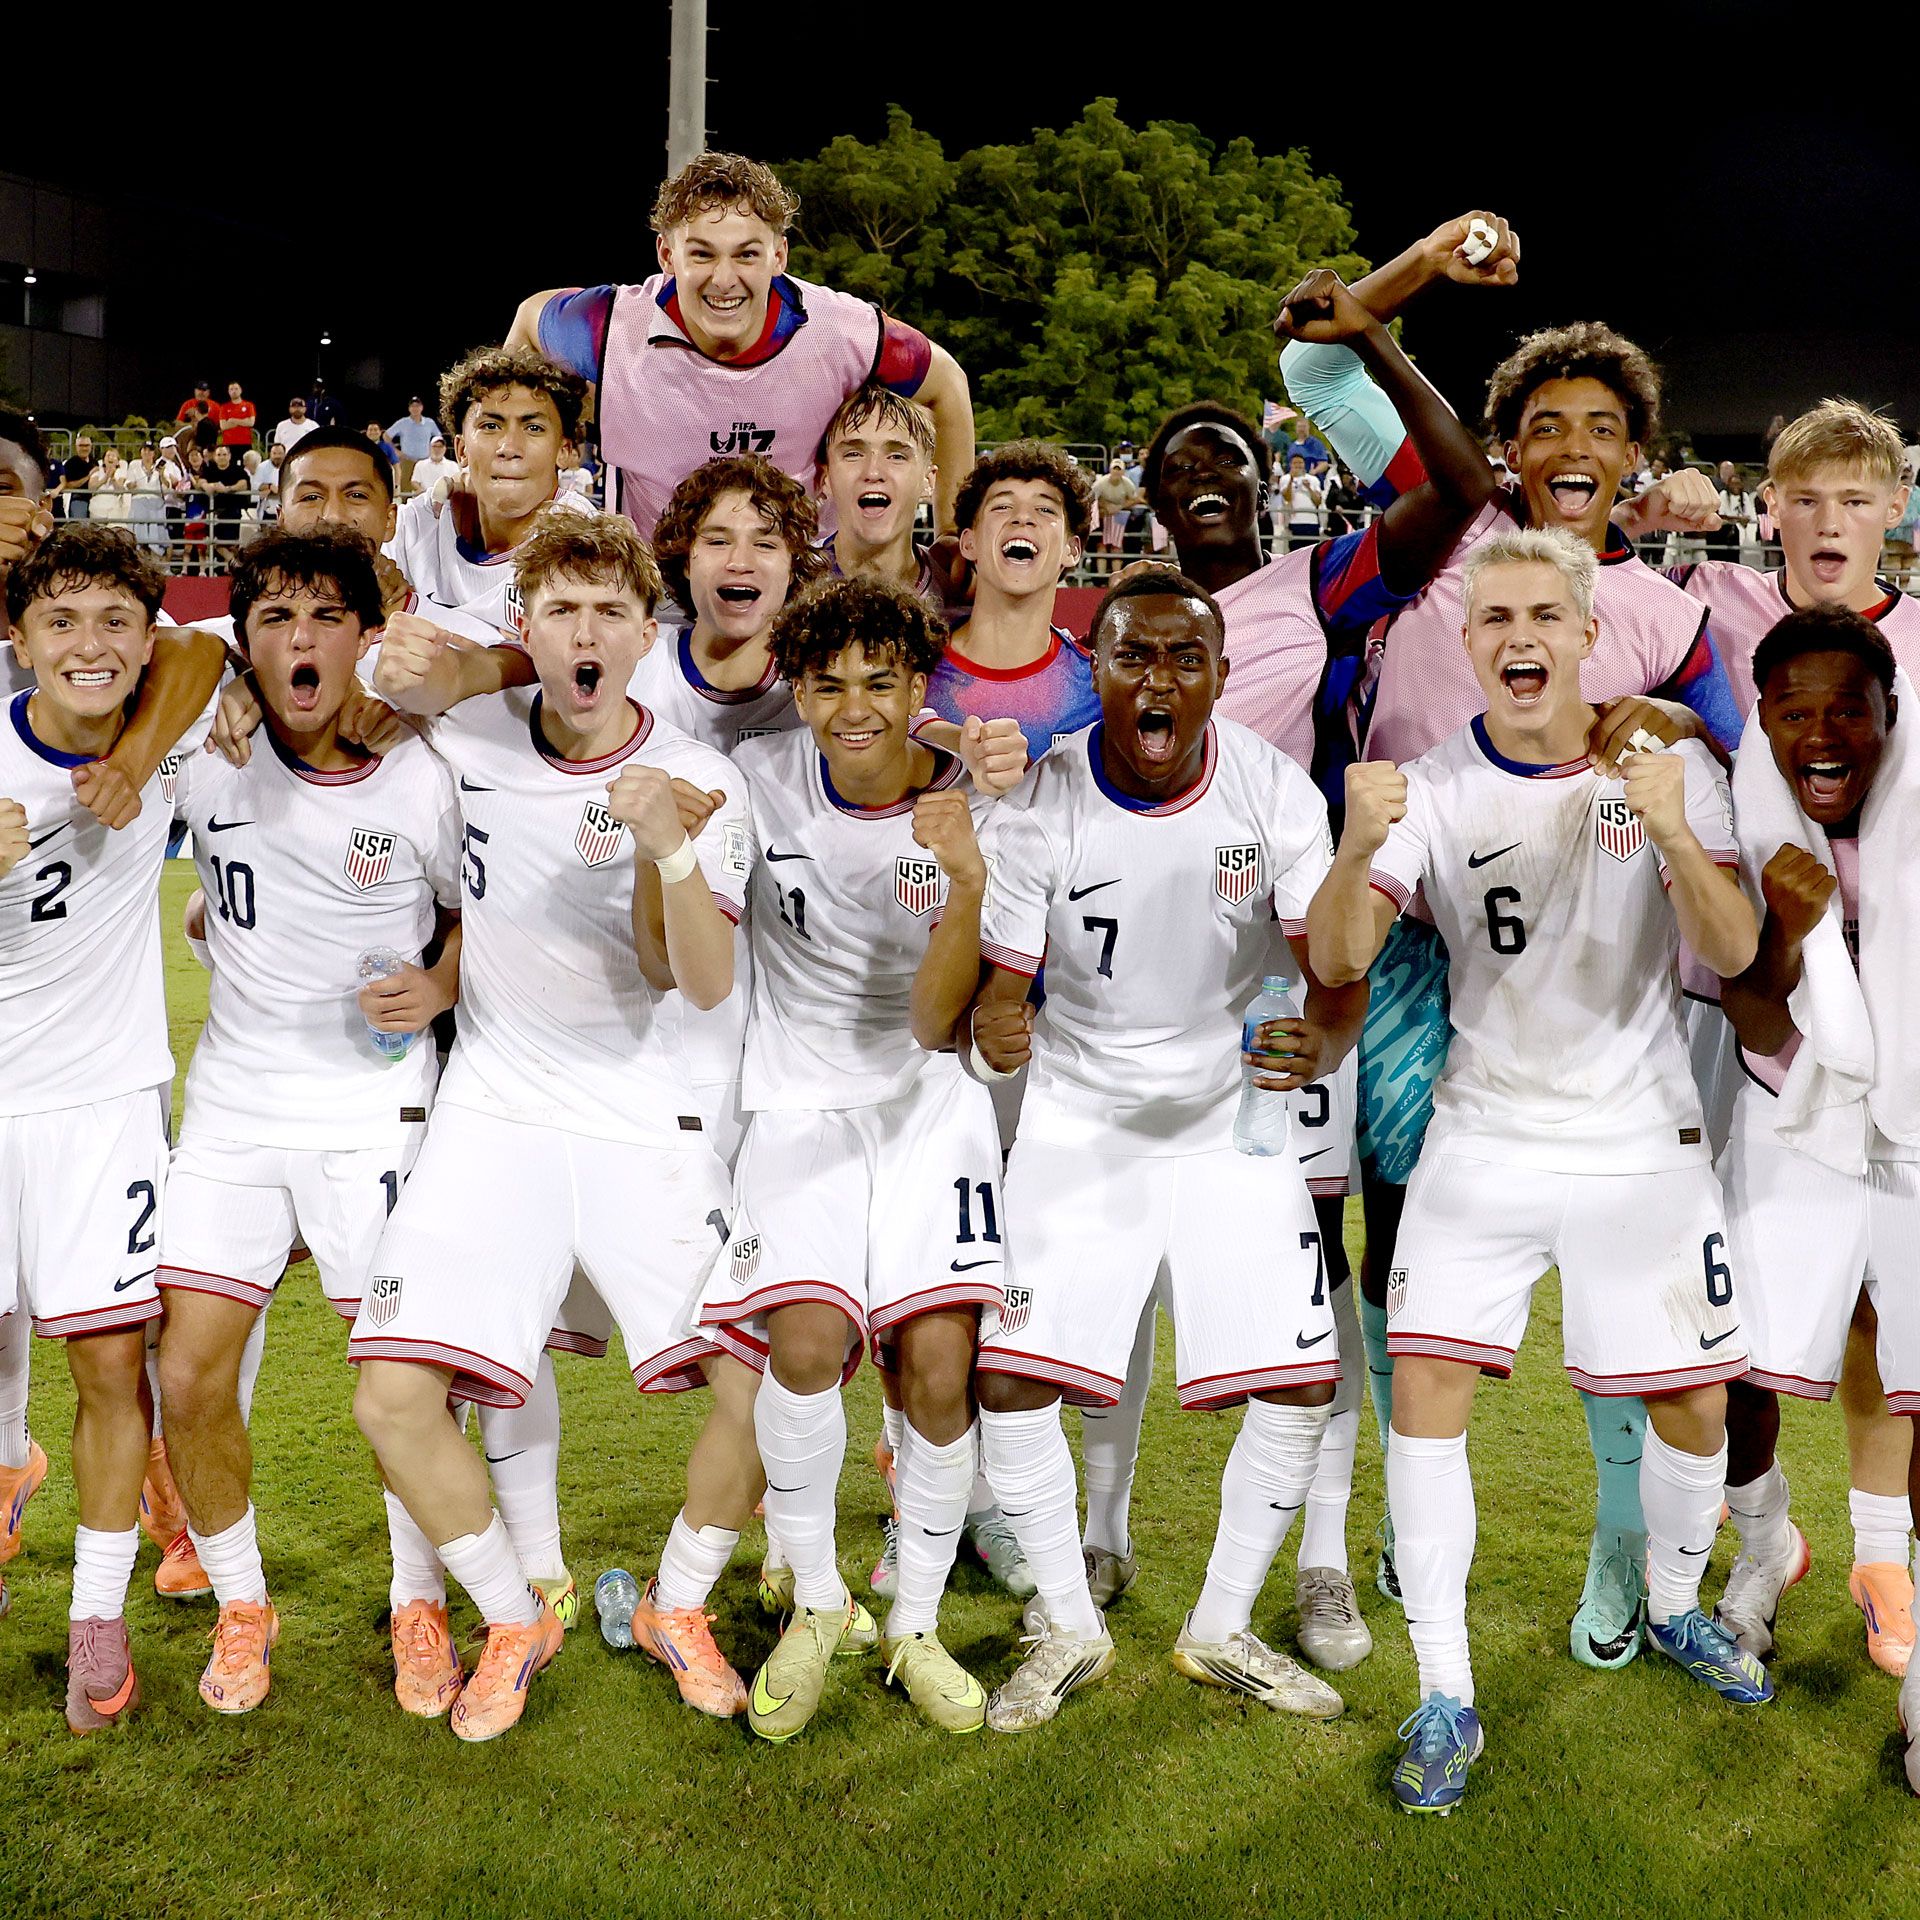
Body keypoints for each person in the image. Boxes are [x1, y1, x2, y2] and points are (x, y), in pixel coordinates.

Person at [1282, 212, 1745, 1668]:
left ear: (1635, 457)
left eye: (1601, 428)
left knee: (1631, 1292)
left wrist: (1673, 721)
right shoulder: (1449, 525)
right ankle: (1394, 1541)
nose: (1569, 444)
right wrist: (1423, 268)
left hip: (1595, 951)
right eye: (1539, 423)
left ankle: (1626, 1554)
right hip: (1417, 941)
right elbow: (1314, 361)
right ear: (1503, 444)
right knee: (1414, 1245)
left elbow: (1729, 757)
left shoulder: (1668, 615)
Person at [1304, 527, 1766, 1815]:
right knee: (1430, 1396)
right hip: (1486, 1131)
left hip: (1639, 1138)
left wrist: (1675, 832)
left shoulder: (1663, 769)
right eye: (1492, 617)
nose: (1517, 638)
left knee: (1691, 1407)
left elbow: (1730, 951)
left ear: (1583, 634)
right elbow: (1340, 960)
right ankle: (1444, 1692)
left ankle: (1675, 1607)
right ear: (1469, 644)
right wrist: (1354, 847)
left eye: (1540, 617)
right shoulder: (1430, 785)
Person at [1076, 266, 1497, 1665]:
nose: (1205, 473)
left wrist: (1372, 332)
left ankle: (1319, 1557)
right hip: (1126, 979)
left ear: (1268, 486)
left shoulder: (1312, 582)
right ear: (1144, 498)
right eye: (1178, 463)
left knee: (1311, 1267)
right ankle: (1103, 1521)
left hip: (1283, 975)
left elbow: (1456, 479)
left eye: (1231, 458)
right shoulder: (1109, 616)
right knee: (1117, 1260)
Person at [912, 566, 1366, 1733]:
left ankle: (1221, 1628)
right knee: (1009, 1377)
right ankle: (1068, 1623)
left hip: (1229, 1113)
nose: (1158, 679)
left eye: (1185, 659)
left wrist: (1319, 1042)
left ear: (1219, 676)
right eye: (1133, 658)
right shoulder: (1045, 799)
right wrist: (998, 1026)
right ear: (1096, 671)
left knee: (1303, 1376)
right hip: (1083, 1112)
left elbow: (1336, 971)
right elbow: (1000, 1001)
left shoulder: (1270, 790)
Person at [350, 514, 751, 1743]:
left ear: (646, 634)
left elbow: (699, 981)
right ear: (526, 631)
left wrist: (668, 848)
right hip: (496, 1110)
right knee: (390, 1394)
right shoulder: (466, 731)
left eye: (608, 614)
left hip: (644, 1113)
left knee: (772, 1378)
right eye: (560, 611)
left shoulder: (703, 777)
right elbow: (355, 678)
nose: (586, 634)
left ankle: (680, 1607)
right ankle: (512, 1615)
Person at [1623, 404, 1920, 1674]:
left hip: (1901, 1037)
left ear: (1892, 515)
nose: (1829, 522)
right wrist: (1681, 724)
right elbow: (1620, 658)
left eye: (1856, 499)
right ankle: (1756, 1545)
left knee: (1881, 1324)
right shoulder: (1717, 611)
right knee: (1724, 1318)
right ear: (1772, 512)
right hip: (1749, 1020)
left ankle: (1883, 1564)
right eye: (1806, 499)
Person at [153, 527, 464, 1716]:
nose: (300, 639)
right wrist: (214, 685)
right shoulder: (205, 748)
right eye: (274, 618)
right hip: (231, 1104)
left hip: (372, 1107)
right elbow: (132, 654)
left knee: (400, 1372)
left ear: (363, 635)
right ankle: (241, 1604)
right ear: (245, 641)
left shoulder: (421, 770)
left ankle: (418, 1600)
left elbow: (476, 910)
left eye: (325, 617)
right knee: (188, 1370)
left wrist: (441, 985)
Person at [692, 574, 1005, 1741]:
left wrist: (967, 880)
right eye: (829, 684)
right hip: (797, 1106)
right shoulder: (756, 783)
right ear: (799, 689)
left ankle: (913, 1622)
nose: (855, 707)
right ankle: (817, 1603)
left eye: (882, 681)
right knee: (810, 1341)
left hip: (929, 1102)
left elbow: (936, 1025)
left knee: (938, 1366)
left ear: (920, 685)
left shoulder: (977, 805)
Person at [0, 526, 223, 1731]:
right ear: (16, 638)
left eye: (114, 623)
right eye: (61, 622)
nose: (90, 646)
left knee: (105, 1367)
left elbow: (204, 646)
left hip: (105, 1107)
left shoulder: (173, 712)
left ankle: (97, 1614)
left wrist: (139, 752)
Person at [1708, 609, 1920, 1777]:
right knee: (1743, 1366)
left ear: (1895, 715)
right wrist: (1792, 933)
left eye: (1850, 708)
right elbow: (1749, 1005)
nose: (1823, 734)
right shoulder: (1750, 805)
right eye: (1795, 712)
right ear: (1767, 721)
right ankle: (1762, 1550)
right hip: (1794, 1124)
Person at [507, 149, 973, 541]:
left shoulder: (842, 331)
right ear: (667, 256)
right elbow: (529, 321)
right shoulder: (607, 328)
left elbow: (948, 384)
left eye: (747, 254)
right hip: (655, 596)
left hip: (799, 588)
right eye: (702, 253)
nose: (724, 280)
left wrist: (952, 536)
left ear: (778, 255)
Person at [387, 346, 591, 632]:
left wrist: (411, 608)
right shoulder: (420, 523)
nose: (509, 448)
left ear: (563, 450)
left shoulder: (588, 544)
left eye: (533, 428)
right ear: (461, 450)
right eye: (491, 426)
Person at [814, 386, 939, 601]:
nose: (873, 472)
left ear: (928, 480)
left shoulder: (958, 590)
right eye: (853, 454)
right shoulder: (786, 581)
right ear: (825, 479)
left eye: (897, 457)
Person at [1091, 460, 1142, 574]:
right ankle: (1101, 576)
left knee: (1117, 546)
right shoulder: (1101, 483)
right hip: (1103, 517)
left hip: (1120, 518)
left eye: (1119, 469)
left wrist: (1119, 507)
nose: (1116, 472)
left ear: (1123, 472)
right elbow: (1092, 498)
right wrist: (1105, 506)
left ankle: (1116, 576)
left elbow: (1135, 499)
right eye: (1114, 469)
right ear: (1110, 470)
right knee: (1101, 546)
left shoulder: (1127, 484)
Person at [386, 397, 443, 494]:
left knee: (427, 487)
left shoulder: (429, 422)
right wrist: (396, 452)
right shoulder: (403, 422)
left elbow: (438, 437)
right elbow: (386, 436)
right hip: (408, 461)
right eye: (413, 406)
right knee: (406, 488)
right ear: (409, 408)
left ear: (422, 407)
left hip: (425, 461)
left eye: (417, 406)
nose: (415, 408)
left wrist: (432, 451)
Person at [1276, 453, 1326, 549]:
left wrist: (1309, 488)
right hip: (1294, 522)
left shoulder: (1313, 479)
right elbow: (1287, 497)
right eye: (1295, 463)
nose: (1298, 465)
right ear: (1290, 464)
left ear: (1304, 464)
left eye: (1300, 462)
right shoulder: (1285, 479)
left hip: (1312, 522)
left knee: (1312, 552)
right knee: (1295, 553)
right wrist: (1291, 479)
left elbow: (1318, 502)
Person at [55, 434, 95, 522]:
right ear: (76, 447)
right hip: (78, 500)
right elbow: (68, 485)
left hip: (94, 501)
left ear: (91, 446)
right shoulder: (70, 464)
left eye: (87, 445)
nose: (84, 448)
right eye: (81, 445)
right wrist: (88, 476)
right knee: (79, 529)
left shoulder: (94, 461)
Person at [408, 435, 457, 503]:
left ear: (445, 448)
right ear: (429, 448)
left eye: (440, 447)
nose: (437, 449)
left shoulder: (453, 465)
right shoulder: (420, 464)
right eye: (434, 446)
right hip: (425, 500)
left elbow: (457, 483)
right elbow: (414, 481)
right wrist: (421, 490)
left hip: (446, 501)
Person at [215, 382, 257, 454]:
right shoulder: (224, 407)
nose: (234, 391)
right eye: (231, 389)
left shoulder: (249, 405)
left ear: (241, 390)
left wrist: (233, 420)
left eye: (236, 389)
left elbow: (251, 423)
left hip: (245, 443)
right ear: (228, 392)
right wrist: (243, 421)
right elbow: (223, 426)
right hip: (228, 443)